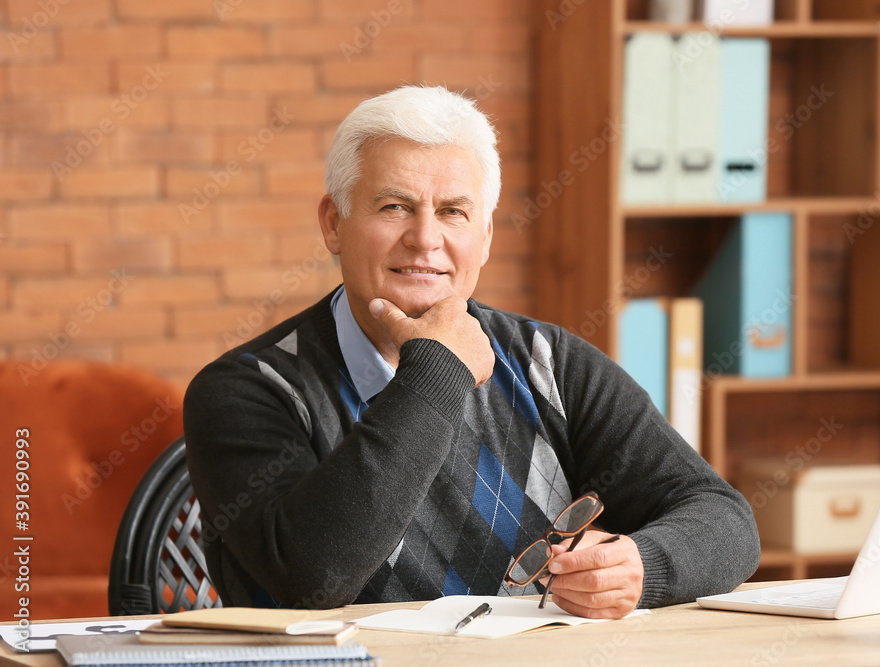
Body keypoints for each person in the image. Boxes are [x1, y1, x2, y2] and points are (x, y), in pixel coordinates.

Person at [183, 85, 759, 619]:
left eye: (453, 212)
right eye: (394, 207)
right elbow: (316, 579)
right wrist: (436, 369)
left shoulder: (548, 362)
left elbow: (725, 520)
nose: (426, 239)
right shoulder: (244, 391)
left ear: (483, 237)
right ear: (334, 224)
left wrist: (643, 566)